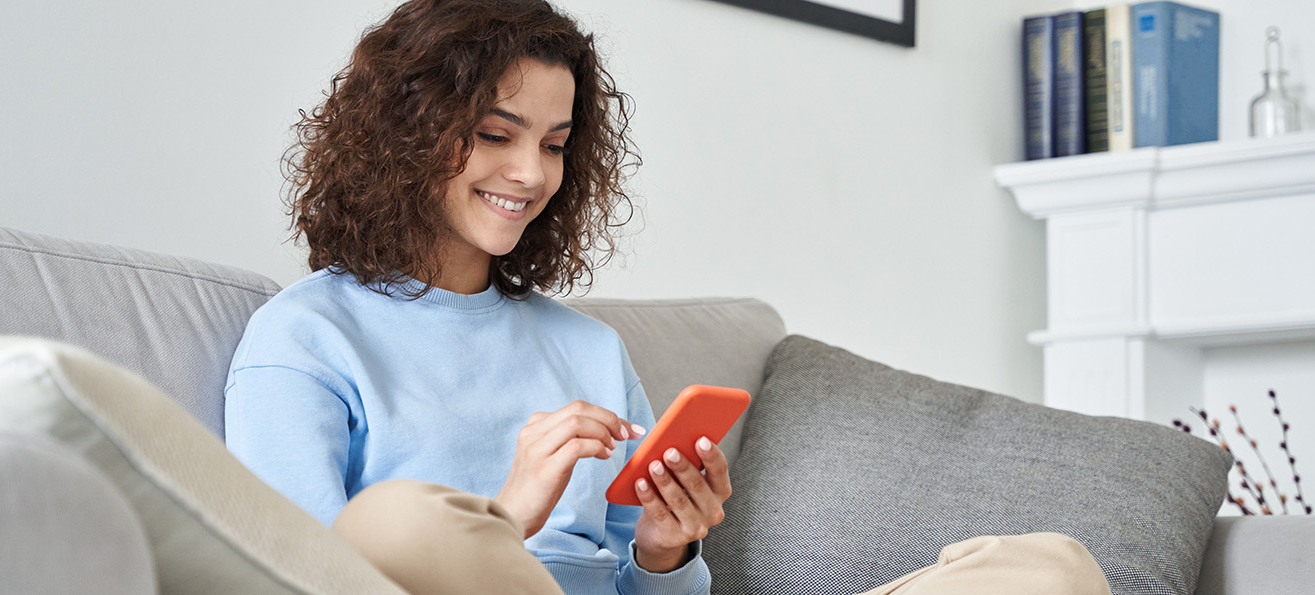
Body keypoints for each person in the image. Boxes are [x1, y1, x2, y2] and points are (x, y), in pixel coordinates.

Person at [226, 1, 1111, 594]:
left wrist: (663, 549)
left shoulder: (584, 349)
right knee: (398, 523)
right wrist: (505, 516)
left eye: (557, 143)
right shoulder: (306, 337)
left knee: (1047, 569)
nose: (531, 173)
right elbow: (292, 575)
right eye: (497, 134)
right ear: (407, 132)